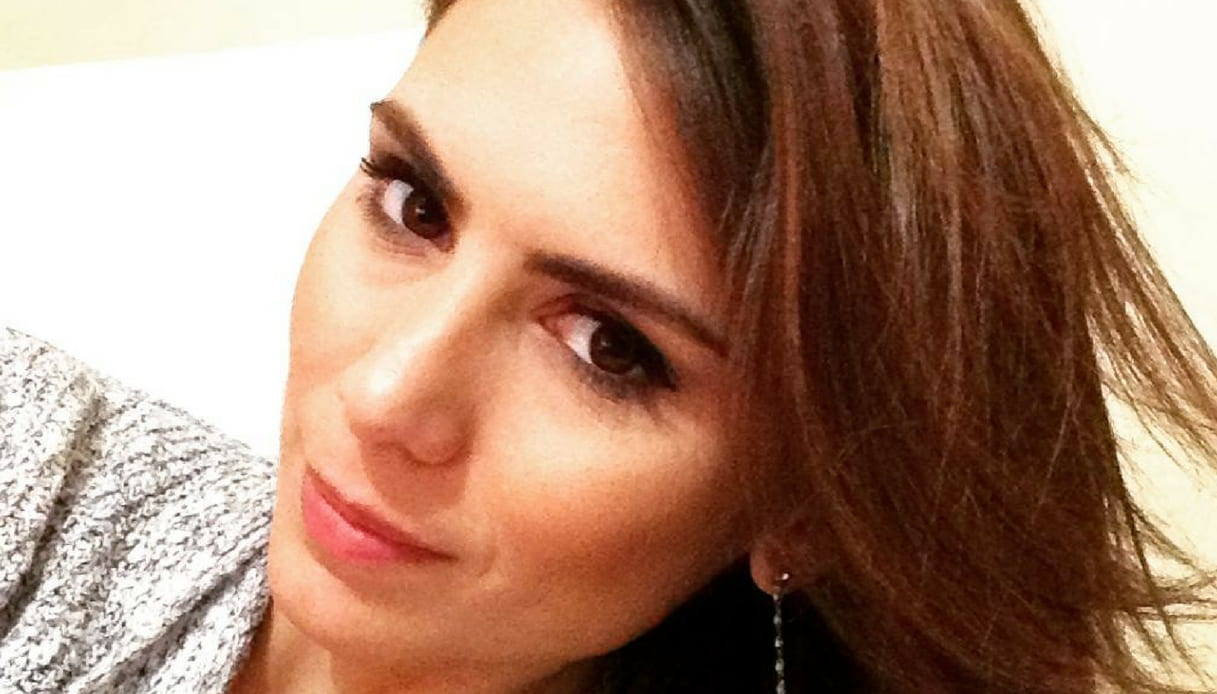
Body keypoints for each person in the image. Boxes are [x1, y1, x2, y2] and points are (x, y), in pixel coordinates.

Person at [2, 0, 1215, 692]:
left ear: (799, 511)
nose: (381, 393)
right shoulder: (43, 472)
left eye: (610, 347)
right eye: (414, 205)